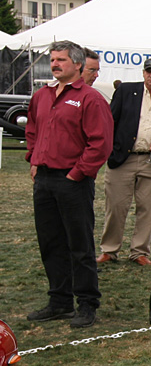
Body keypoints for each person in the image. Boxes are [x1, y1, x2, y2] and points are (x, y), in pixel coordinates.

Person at [24, 40, 114, 329]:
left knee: (80, 244)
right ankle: (59, 301)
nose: (55, 64)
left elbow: (100, 143)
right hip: (45, 180)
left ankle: (87, 303)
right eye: (52, 60)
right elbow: (33, 130)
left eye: (61, 59)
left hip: (73, 181)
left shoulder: (90, 98)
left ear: (77, 64)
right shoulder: (41, 96)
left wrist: (78, 173)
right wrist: (34, 159)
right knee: (51, 243)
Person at [97, 57, 151, 266]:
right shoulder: (126, 91)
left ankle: (139, 252)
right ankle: (109, 250)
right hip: (122, 159)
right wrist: (110, 149)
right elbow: (110, 121)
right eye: (148, 71)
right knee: (116, 206)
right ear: (143, 73)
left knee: (147, 209)